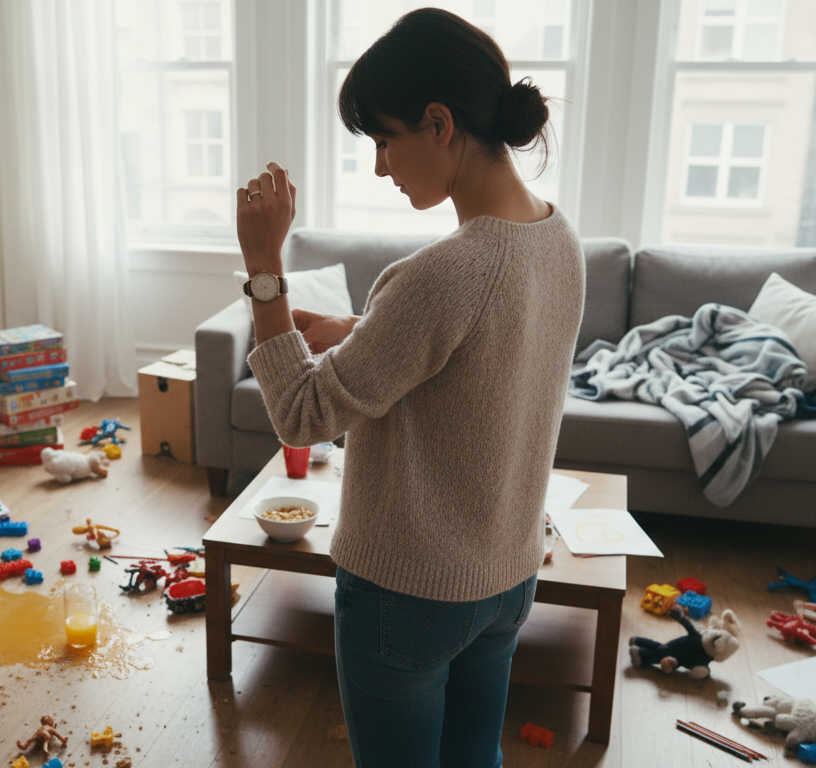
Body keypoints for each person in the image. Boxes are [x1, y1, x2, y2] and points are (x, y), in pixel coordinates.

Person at [235, 7, 585, 768]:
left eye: (383, 140)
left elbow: (301, 416)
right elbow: (481, 356)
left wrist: (265, 270)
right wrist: (364, 329)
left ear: (439, 123)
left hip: (408, 593)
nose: (380, 166)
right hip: (507, 577)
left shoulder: (438, 274)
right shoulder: (559, 237)